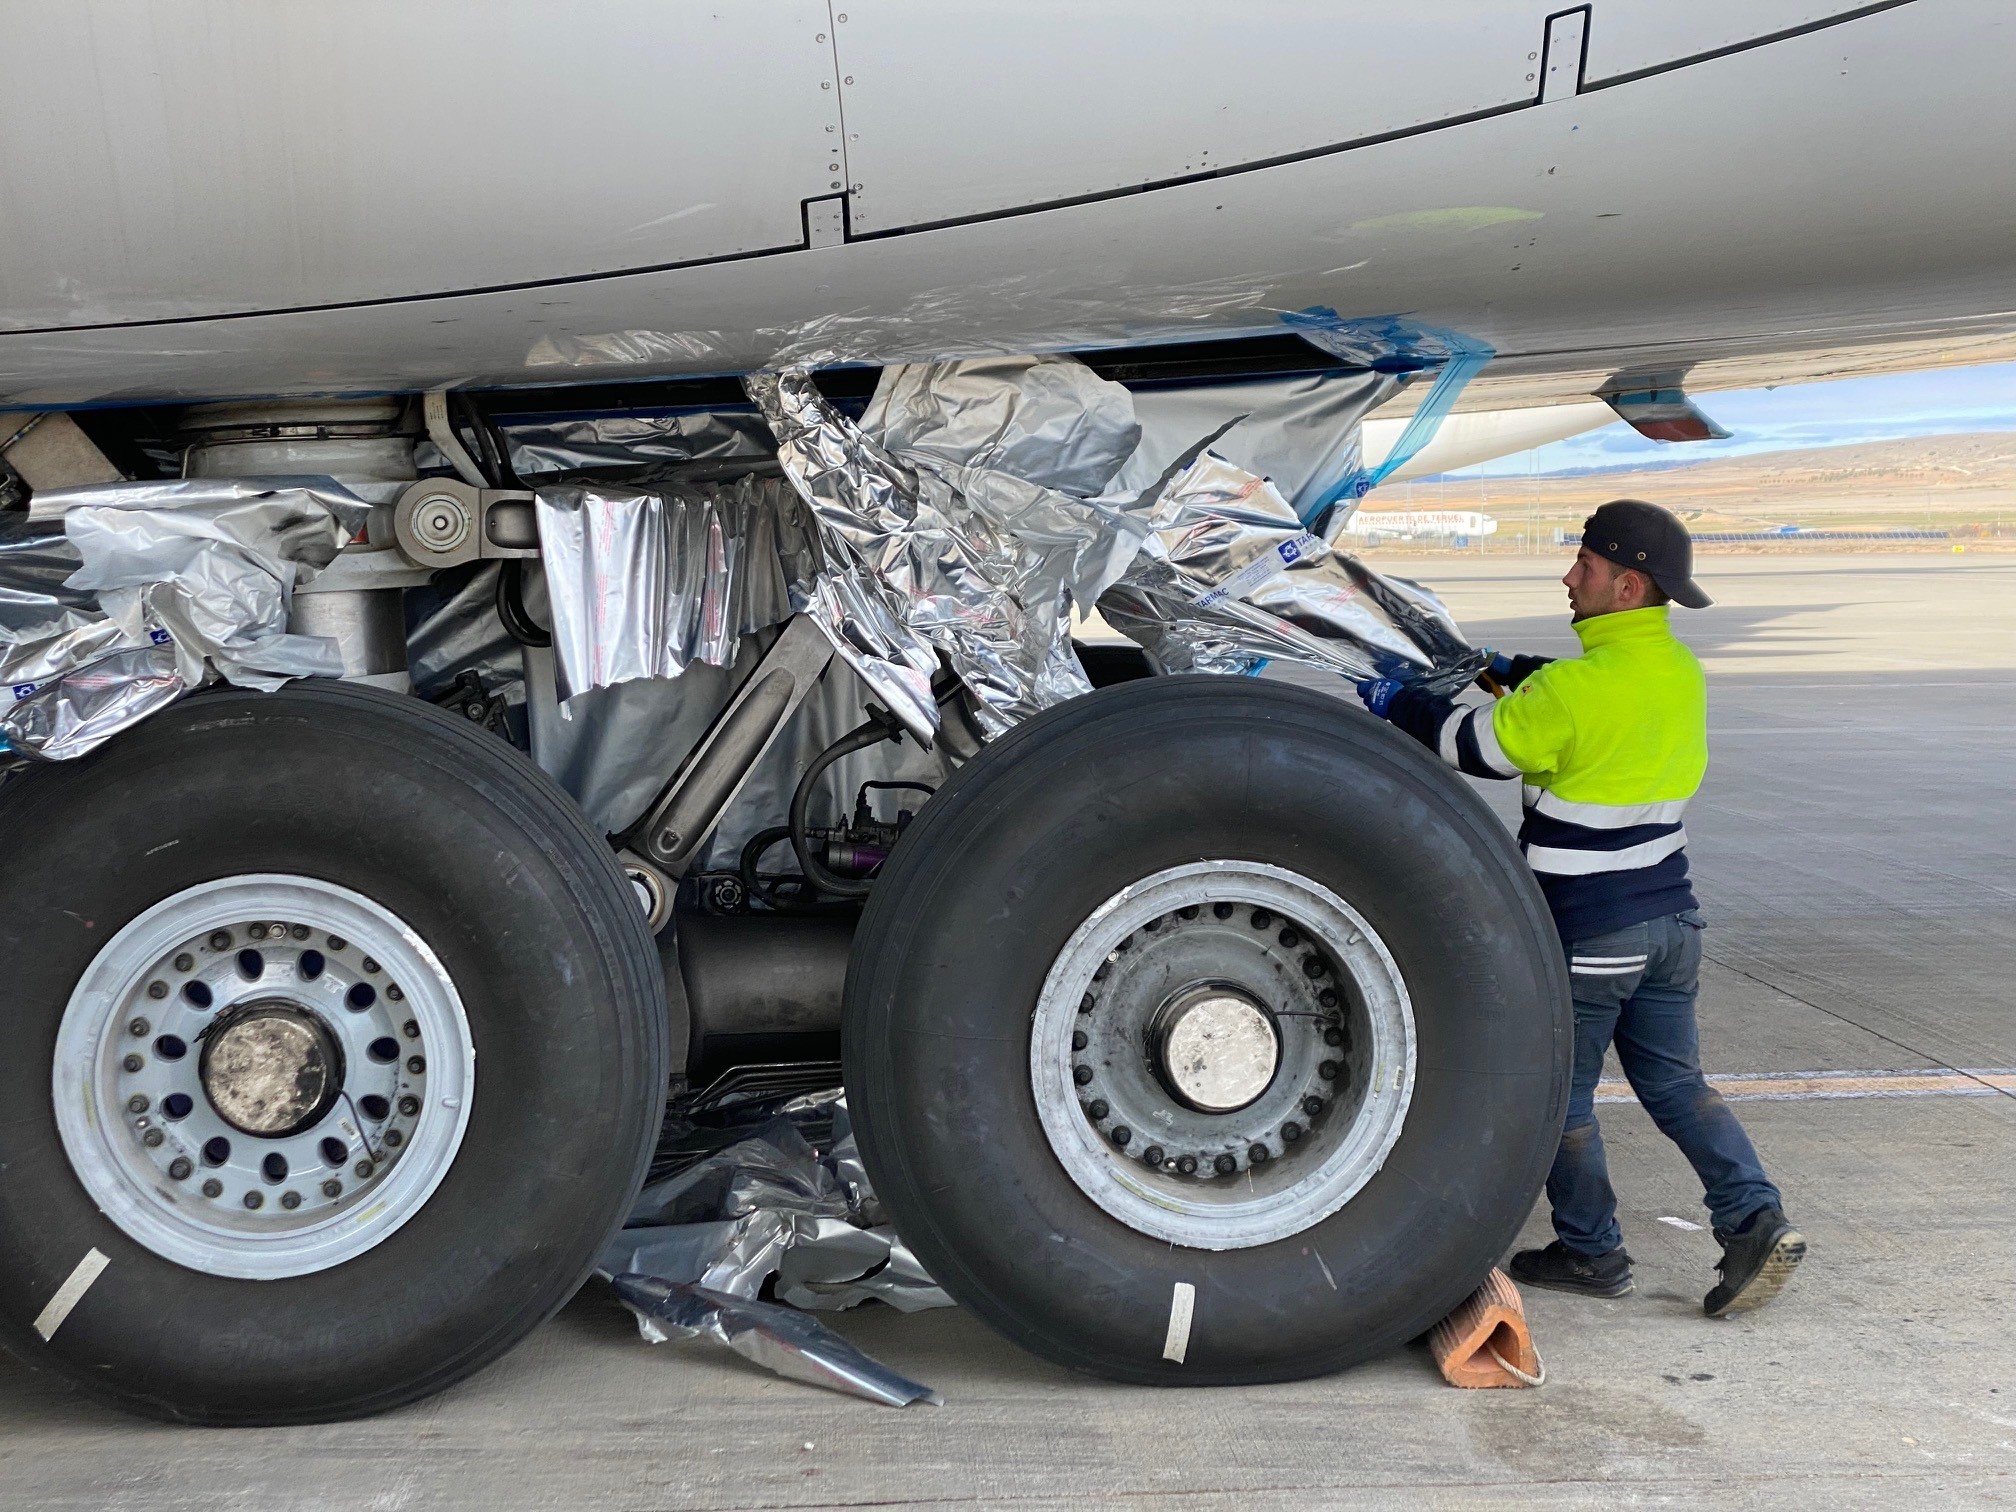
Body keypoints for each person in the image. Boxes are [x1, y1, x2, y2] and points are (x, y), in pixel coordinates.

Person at [1354, 499, 1805, 1317]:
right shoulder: (1673, 671)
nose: (1569, 577)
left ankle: (1593, 1252)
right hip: (1673, 922)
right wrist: (1495, 664)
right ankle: (1754, 1219)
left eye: (1586, 567)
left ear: (1627, 585)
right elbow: (1563, 690)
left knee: (1559, 1099)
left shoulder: (1573, 690)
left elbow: (1477, 746)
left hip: (1594, 929)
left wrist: (1396, 703)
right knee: (1678, 1086)